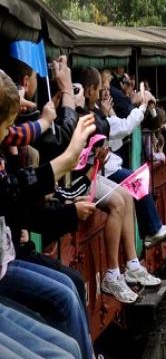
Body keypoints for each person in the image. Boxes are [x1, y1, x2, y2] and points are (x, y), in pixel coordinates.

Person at [0, 68, 97, 358]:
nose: (9, 136)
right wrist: (66, 158)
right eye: (5, 127)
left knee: (67, 340)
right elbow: (10, 192)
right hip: (9, 260)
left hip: (8, 255)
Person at [72, 67, 162, 304]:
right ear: (89, 90)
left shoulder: (93, 111)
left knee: (128, 194)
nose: (103, 93)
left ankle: (132, 263)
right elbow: (110, 128)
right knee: (116, 202)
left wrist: (107, 115)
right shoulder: (78, 113)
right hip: (79, 179)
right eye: (99, 89)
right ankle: (112, 273)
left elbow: (111, 132)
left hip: (93, 173)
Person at [94, 69, 166, 249]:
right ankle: (152, 230)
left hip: (107, 166)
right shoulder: (94, 114)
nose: (109, 91)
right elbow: (124, 128)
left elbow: (116, 141)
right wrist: (142, 106)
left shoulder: (101, 112)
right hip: (99, 171)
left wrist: (111, 114)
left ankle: (151, 231)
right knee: (135, 181)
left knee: (135, 182)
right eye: (105, 86)